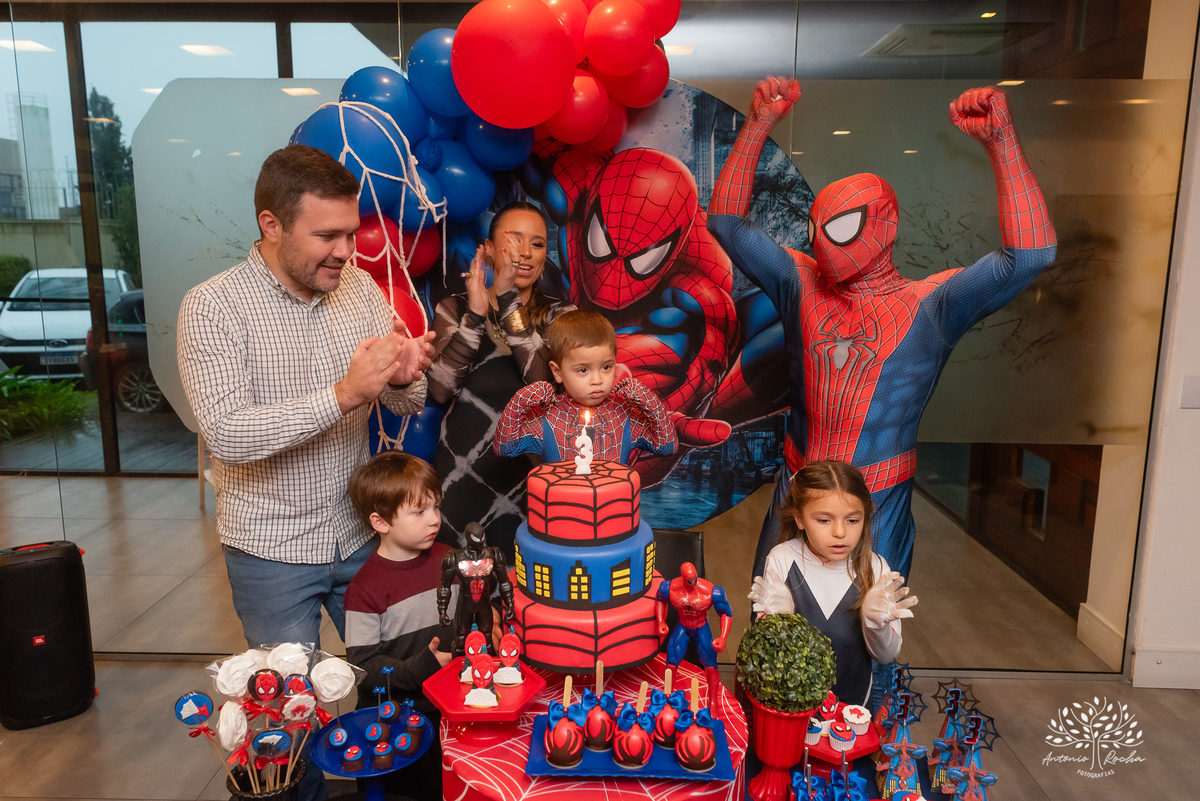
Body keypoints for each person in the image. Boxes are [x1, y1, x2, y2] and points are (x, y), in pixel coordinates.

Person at [707, 82, 1057, 583]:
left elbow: (1030, 256)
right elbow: (726, 224)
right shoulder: (800, 282)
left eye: (842, 227)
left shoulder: (931, 305)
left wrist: (1002, 142)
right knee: (774, 615)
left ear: (885, 226)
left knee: (873, 620)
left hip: (878, 495)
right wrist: (758, 125)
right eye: (817, 230)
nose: (824, 244)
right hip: (800, 485)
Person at [178, 144, 434, 651]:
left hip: (362, 533)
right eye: (326, 236)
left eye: (350, 233)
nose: (345, 250)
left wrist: (402, 380)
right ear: (272, 225)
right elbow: (226, 434)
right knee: (292, 694)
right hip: (270, 551)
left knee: (395, 681)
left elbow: (406, 405)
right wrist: (344, 395)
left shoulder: (360, 288)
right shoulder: (212, 307)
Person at [426, 201, 575, 558]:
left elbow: (544, 387)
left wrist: (508, 301)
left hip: (532, 480)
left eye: (537, 244)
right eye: (514, 241)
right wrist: (476, 315)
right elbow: (441, 389)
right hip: (460, 477)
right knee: (460, 584)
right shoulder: (455, 308)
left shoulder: (561, 315)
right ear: (489, 250)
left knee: (527, 582)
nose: (525, 253)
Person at [748, 460, 918, 707]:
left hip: (853, 708)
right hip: (791, 707)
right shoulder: (782, 559)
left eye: (852, 520)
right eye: (824, 520)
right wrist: (779, 624)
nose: (840, 532)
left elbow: (885, 656)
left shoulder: (876, 568)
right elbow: (766, 655)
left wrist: (875, 624)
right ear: (799, 518)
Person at [344, 450, 455, 801]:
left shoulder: (448, 558)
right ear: (381, 522)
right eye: (419, 512)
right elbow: (363, 667)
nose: (434, 519)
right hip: (398, 724)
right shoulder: (364, 590)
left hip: (450, 711)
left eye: (436, 507)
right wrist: (419, 669)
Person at [493, 310, 677, 464]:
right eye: (583, 370)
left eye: (606, 367)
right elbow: (504, 447)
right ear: (557, 372)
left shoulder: (624, 413)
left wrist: (647, 399)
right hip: (562, 497)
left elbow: (667, 446)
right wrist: (521, 400)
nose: (597, 380)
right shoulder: (548, 416)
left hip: (615, 497)